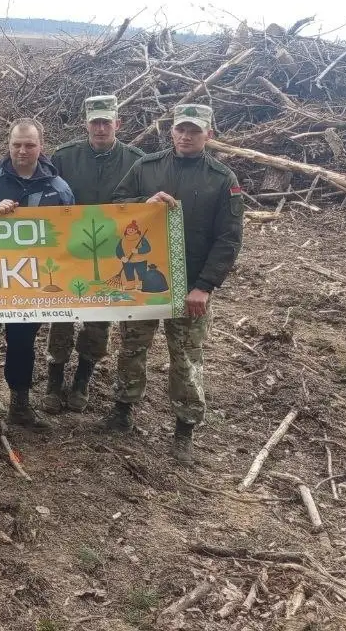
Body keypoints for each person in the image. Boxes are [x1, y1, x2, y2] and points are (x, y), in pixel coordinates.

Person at [101, 104, 244, 466]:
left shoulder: (221, 178)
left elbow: (228, 239)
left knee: (186, 358)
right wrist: (143, 205)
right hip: (145, 281)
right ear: (171, 131)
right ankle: (122, 410)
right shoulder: (146, 167)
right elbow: (116, 206)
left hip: (190, 286)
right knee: (133, 347)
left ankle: (185, 428)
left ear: (208, 135)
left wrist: (205, 286)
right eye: (180, 129)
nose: (185, 136)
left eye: (194, 131)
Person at [0, 118, 74, 428]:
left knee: (23, 343)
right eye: (17, 144)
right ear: (8, 146)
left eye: (29, 145)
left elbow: (70, 231)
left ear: (41, 146)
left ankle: (19, 404)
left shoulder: (58, 188)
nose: (22, 150)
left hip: (31, 282)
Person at [45, 94, 145, 413]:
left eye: (106, 122)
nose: (100, 128)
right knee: (61, 317)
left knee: (98, 322)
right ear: (86, 123)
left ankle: (82, 381)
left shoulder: (136, 160)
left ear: (118, 123)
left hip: (112, 257)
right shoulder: (64, 157)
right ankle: (53, 381)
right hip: (69, 252)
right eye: (95, 122)